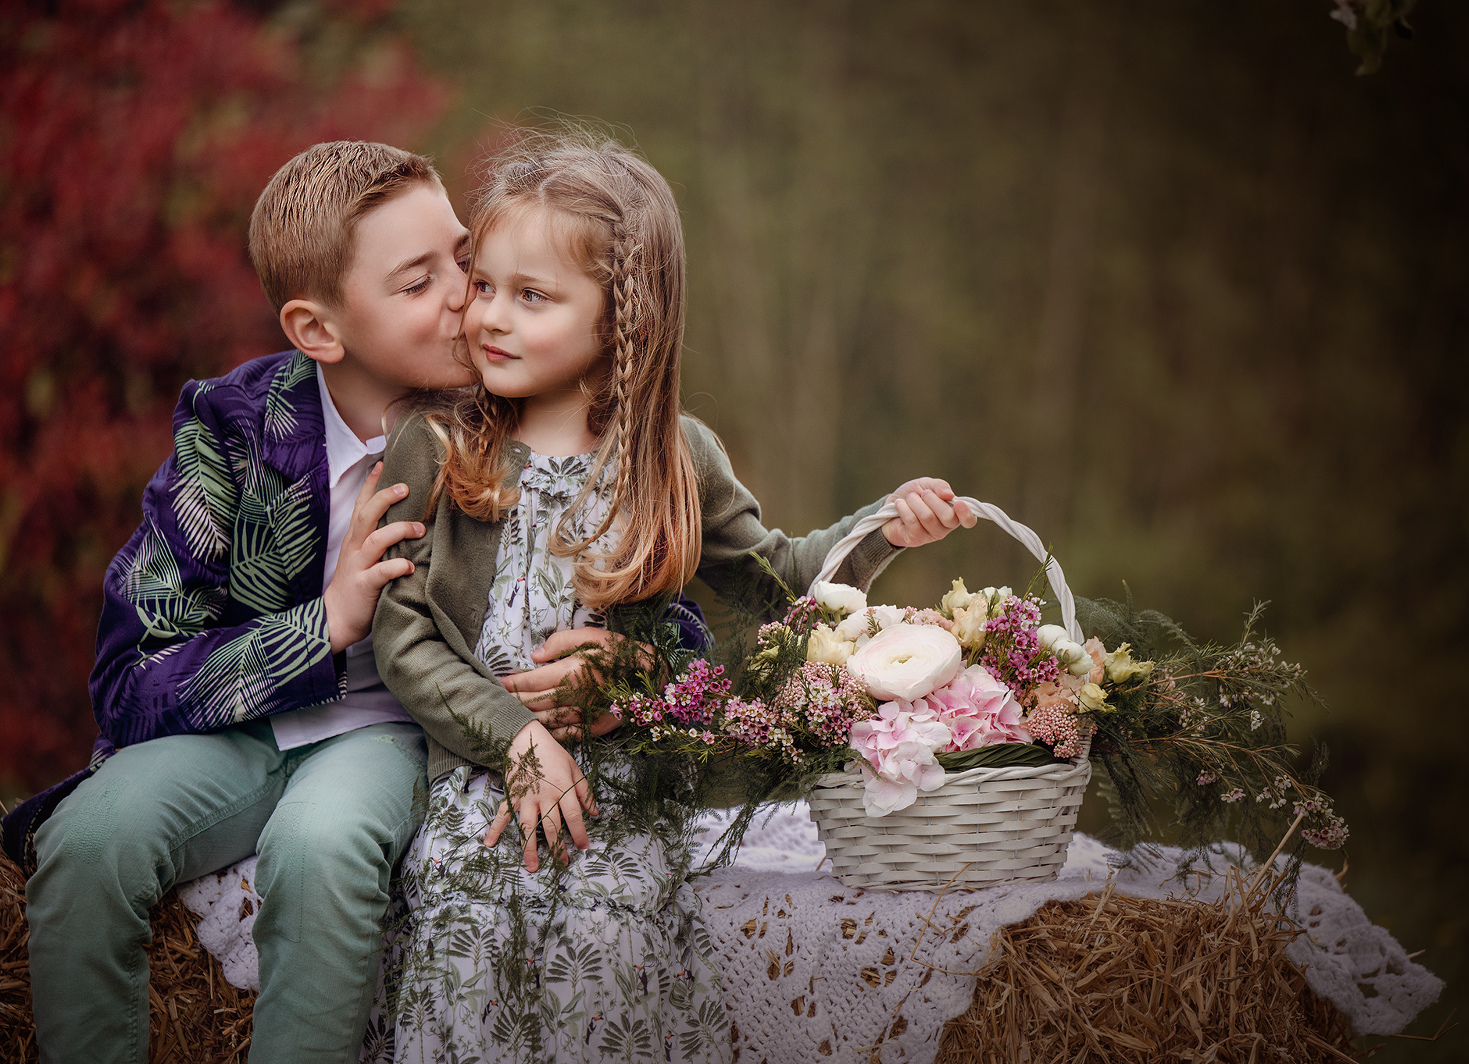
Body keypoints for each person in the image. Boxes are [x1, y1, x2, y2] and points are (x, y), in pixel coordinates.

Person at [6, 141, 688, 1064]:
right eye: (419, 283)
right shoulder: (235, 432)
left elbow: (668, 590)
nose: (467, 295)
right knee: (86, 843)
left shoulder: (523, 412)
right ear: (318, 330)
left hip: (401, 729)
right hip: (238, 733)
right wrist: (321, 625)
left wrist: (638, 669)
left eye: (462, 256)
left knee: (320, 851)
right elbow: (129, 678)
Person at [367, 130, 974, 1064]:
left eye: (533, 297)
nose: (489, 315)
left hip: (625, 796)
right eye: (482, 285)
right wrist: (517, 739)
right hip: (480, 778)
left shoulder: (675, 459)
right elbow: (404, 638)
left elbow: (781, 590)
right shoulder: (438, 449)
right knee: (464, 927)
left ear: (622, 319)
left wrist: (882, 528)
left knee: (612, 945)